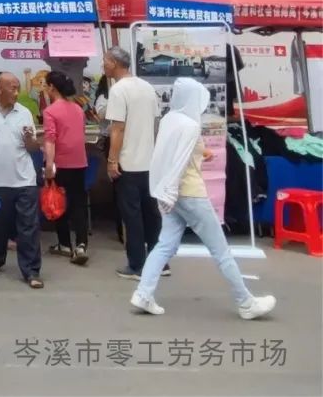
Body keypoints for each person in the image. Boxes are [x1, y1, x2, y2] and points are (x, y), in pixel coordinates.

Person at [131, 78, 277, 320]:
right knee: (221, 250)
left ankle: (143, 293)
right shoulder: (190, 125)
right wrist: (172, 187)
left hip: (173, 194)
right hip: (190, 193)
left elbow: (171, 154)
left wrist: (165, 190)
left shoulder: (169, 119)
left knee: (165, 245)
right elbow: (180, 160)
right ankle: (246, 302)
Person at [0, 71, 44, 288]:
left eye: (17, 87)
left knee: (28, 226)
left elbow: (32, 148)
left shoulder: (24, 112)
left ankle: (31, 271)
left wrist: (30, 139)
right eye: (12, 87)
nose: (16, 91)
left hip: (24, 179)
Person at [104, 46, 164, 280]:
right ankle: (160, 263)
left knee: (132, 216)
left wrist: (112, 160)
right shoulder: (147, 87)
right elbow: (156, 124)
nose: (103, 66)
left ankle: (137, 265)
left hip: (128, 163)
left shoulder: (118, 90)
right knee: (152, 214)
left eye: (105, 61)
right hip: (149, 162)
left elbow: (117, 128)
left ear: (114, 63)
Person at [42, 70, 90, 264]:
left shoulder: (50, 111)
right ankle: (81, 245)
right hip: (80, 162)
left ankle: (64, 244)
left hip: (60, 163)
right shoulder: (78, 109)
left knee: (58, 202)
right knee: (79, 203)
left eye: (45, 85)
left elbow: (50, 140)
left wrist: (49, 165)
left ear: (52, 87)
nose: (44, 88)